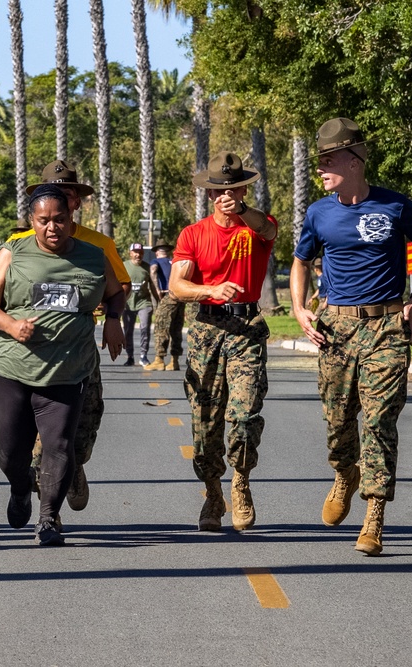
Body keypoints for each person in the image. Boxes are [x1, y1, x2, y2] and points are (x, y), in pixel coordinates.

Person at [290, 117, 412, 556]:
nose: (321, 168)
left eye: (328, 159)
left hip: (387, 327)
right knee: (339, 423)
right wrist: (301, 309)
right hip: (335, 330)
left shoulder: (395, 206)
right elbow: (301, 261)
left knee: (379, 420)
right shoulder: (319, 212)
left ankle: (374, 516)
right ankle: (344, 473)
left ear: (354, 161)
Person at [0, 185, 125, 545]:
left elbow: (115, 292)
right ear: (32, 221)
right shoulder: (13, 253)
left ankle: (48, 519)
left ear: (71, 219)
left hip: (69, 367)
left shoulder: (92, 256)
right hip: (12, 366)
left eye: (60, 219)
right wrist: (11, 325)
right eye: (44, 221)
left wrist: (115, 320)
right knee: (13, 451)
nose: (52, 227)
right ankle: (19, 486)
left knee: (59, 445)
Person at [11, 159, 131, 513]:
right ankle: (49, 502)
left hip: (78, 349)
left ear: (76, 203)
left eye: (69, 194)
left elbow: (119, 286)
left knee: (88, 416)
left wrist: (112, 318)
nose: (62, 199)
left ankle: (74, 464)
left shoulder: (97, 244)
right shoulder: (18, 243)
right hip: (31, 351)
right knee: (38, 427)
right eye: (54, 193)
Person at [169, 151, 277, 532]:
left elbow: (267, 229)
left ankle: (241, 482)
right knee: (204, 423)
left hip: (247, 329)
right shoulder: (193, 234)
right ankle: (213, 492)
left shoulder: (256, 226)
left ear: (245, 189)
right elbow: (176, 286)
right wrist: (211, 289)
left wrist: (244, 210)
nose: (226, 196)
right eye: (219, 190)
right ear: (209, 194)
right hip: (206, 332)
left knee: (244, 416)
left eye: (233, 188)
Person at [145, 240, 186, 371]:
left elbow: (153, 271)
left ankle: (159, 359)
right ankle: (174, 361)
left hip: (167, 295)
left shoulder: (155, 262)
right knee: (176, 327)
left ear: (157, 252)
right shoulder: (173, 262)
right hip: (179, 295)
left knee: (161, 326)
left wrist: (157, 289)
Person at [122, 242, 156, 366]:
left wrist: (158, 302)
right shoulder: (124, 266)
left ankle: (143, 355)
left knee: (145, 328)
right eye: (135, 252)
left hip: (144, 302)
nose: (138, 255)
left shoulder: (148, 267)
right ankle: (130, 356)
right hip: (128, 303)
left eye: (140, 252)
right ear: (130, 253)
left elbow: (153, 286)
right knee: (128, 330)